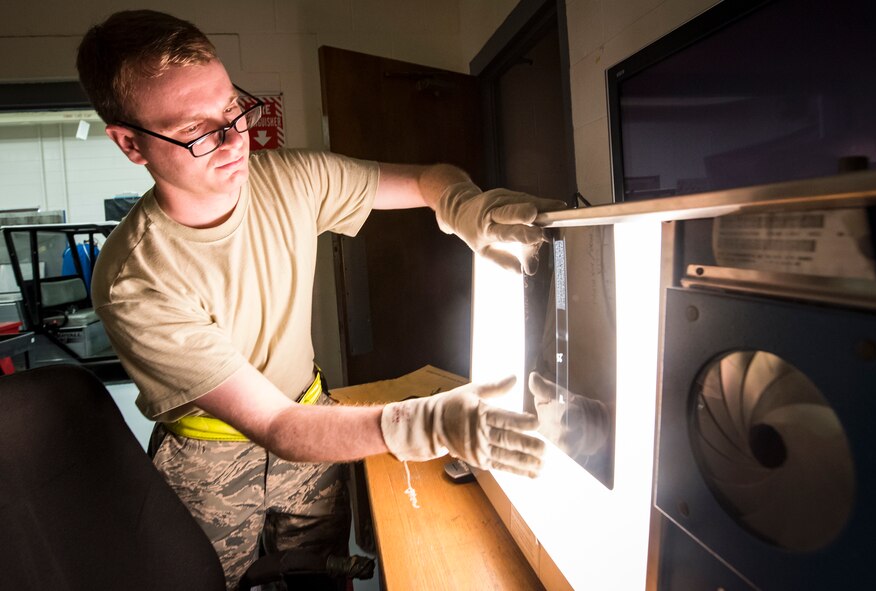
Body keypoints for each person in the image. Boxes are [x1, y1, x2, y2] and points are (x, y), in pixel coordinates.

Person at [77, 9, 566, 589]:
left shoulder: (289, 180)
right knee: (204, 581)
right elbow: (277, 425)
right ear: (131, 144)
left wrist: (462, 203)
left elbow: (427, 177)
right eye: (197, 131)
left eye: (233, 109)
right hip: (209, 461)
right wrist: (427, 423)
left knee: (324, 577)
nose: (237, 140)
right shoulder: (135, 278)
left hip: (311, 416)